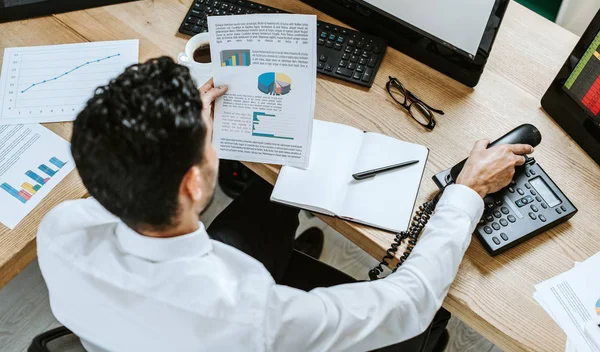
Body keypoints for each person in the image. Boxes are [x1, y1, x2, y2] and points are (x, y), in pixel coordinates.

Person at [37, 57, 534, 352]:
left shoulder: (59, 230)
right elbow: (409, 303)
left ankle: (285, 239)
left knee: (267, 195)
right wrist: (466, 192)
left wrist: (182, 126)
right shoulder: (246, 314)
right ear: (191, 185)